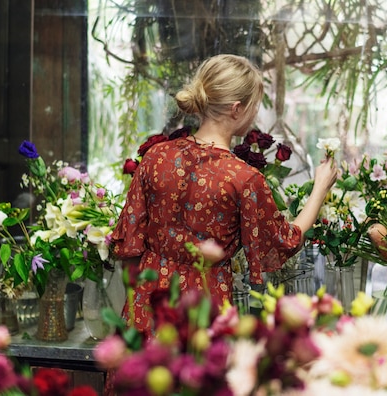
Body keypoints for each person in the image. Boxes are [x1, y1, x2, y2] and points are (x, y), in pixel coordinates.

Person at [111, 54, 338, 334]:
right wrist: (320, 188)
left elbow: (129, 243)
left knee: (143, 375)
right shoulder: (242, 178)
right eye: (254, 106)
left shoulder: (157, 156)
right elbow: (284, 240)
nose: (255, 114)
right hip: (203, 307)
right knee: (196, 374)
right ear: (236, 109)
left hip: (147, 303)